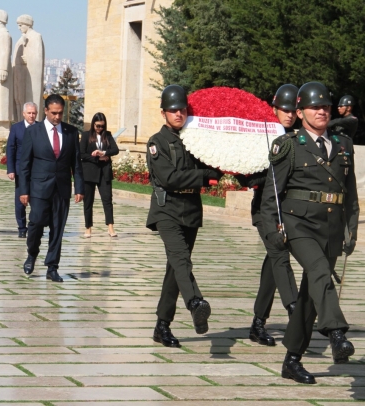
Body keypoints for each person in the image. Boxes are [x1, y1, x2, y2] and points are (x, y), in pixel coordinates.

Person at [261, 82, 358, 384]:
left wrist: (350, 230)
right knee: (318, 272)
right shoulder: (289, 144)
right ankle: (337, 333)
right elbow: (271, 196)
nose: (322, 111)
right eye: (315, 107)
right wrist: (271, 231)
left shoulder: (343, 144)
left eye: (326, 106)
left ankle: (292, 360)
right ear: (300, 112)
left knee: (310, 296)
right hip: (297, 224)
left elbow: (350, 193)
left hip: (330, 228)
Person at [146, 85, 222, 348]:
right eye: (173, 110)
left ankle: (162, 326)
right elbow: (168, 178)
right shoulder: (158, 142)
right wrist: (204, 176)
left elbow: (210, 164)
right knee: (180, 259)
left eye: (182, 110)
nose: (179, 114)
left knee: (175, 269)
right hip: (167, 209)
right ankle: (196, 302)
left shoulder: (194, 139)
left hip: (190, 209)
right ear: (164, 112)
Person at [235, 84, 300, 347]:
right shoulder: (258, 135)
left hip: (290, 210)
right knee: (279, 254)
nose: (289, 114)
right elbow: (243, 171)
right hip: (265, 209)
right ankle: (295, 310)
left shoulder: (297, 137)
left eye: (294, 110)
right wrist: (264, 176)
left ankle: (258, 323)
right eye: (285, 109)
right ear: (274, 109)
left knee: (273, 265)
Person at [19, 94, 84, 283]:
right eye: (53, 113)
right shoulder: (33, 131)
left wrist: (79, 187)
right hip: (38, 188)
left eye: (60, 113)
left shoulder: (71, 132)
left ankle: (52, 267)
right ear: (46, 111)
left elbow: (76, 163)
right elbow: (25, 164)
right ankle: (32, 255)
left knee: (58, 229)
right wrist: (24, 190)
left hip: (61, 189)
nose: (57, 117)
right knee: (36, 223)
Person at [80, 112, 119, 238]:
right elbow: (81, 154)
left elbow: (115, 149)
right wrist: (97, 157)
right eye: (97, 126)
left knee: (107, 200)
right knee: (88, 201)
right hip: (89, 173)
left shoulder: (107, 135)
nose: (99, 129)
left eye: (102, 126)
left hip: (104, 173)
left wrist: (104, 152)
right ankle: (88, 228)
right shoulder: (86, 135)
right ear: (93, 124)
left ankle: (110, 227)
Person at [6, 101, 38, 238]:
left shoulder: (41, 128)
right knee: (20, 200)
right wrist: (10, 169)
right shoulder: (16, 128)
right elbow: (10, 148)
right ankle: (21, 227)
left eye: (34, 113)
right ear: (24, 114)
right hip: (20, 170)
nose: (31, 116)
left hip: (37, 170)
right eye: (29, 113)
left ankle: (34, 226)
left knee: (36, 200)